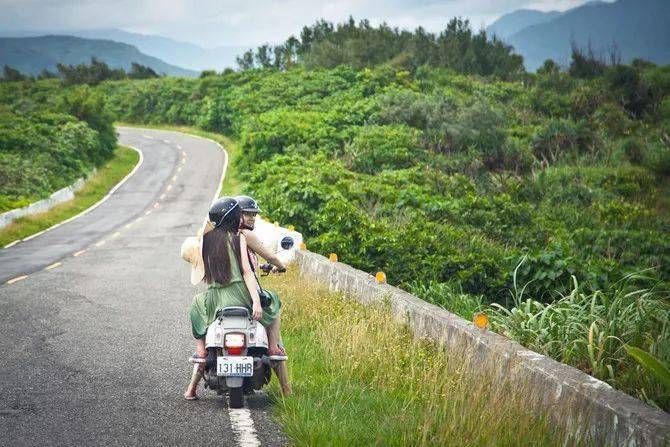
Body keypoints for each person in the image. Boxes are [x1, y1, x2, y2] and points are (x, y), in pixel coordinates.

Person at [182, 197, 287, 400]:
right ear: (233, 219)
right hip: (240, 295)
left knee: (196, 304)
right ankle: (274, 348)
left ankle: (198, 360)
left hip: (215, 299)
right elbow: (247, 273)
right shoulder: (238, 238)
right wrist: (256, 301)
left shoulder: (205, 241)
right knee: (273, 300)